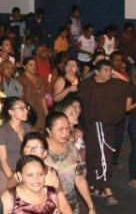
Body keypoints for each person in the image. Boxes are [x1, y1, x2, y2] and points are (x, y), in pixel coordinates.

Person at [77, 59, 131, 205]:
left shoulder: (114, 83)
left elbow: (128, 85)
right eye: (106, 70)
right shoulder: (88, 85)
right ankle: (107, 189)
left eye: (110, 70)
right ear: (97, 72)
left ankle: (95, 185)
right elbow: (80, 104)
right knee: (102, 155)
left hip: (109, 127)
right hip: (96, 125)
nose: (109, 73)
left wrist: (113, 71)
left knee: (100, 154)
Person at [44, 112, 95, 214]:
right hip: (49, 206)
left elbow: (79, 179)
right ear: (49, 131)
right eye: (60, 129)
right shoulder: (41, 150)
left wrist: (91, 207)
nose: (65, 133)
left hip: (71, 205)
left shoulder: (71, 147)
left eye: (67, 129)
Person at [0, 97, 33, 194]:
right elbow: (3, 161)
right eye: (21, 108)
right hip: (7, 175)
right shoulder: (2, 131)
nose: (26, 111)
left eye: (26, 108)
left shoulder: (28, 128)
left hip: (25, 173)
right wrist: (14, 179)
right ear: (11, 112)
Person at [19, 57, 48, 131]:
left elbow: (43, 97)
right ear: (24, 66)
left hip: (40, 112)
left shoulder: (40, 80)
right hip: (29, 112)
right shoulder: (20, 80)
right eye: (30, 65)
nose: (34, 67)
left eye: (35, 65)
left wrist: (46, 113)